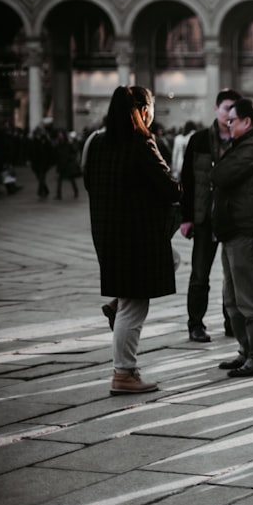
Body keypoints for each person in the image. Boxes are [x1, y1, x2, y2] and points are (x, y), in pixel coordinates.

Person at [85, 85, 181, 395]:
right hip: (136, 237)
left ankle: (116, 307)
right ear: (142, 111)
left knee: (170, 262)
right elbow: (170, 189)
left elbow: (89, 181)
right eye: (150, 109)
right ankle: (124, 373)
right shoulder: (141, 144)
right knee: (134, 307)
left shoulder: (96, 143)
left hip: (108, 233)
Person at [212, 98, 253, 377]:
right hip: (235, 230)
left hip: (248, 231)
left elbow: (220, 174)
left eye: (233, 120)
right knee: (234, 300)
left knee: (251, 298)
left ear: (247, 122)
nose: (228, 125)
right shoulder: (245, 146)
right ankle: (247, 350)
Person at [179, 89, 243, 342]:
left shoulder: (242, 139)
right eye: (226, 107)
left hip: (232, 217)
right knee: (199, 274)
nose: (230, 113)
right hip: (205, 216)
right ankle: (196, 324)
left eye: (235, 109)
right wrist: (186, 217)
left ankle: (231, 321)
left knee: (234, 275)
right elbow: (187, 179)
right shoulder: (200, 140)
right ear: (216, 109)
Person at [53, 130, 81, 200]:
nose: (60, 136)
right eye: (59, 135)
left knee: (71, 179)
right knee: (60, 180)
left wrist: (70, 159)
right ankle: (59, 194)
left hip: (67, 165)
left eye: (61, 135)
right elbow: (56, 155)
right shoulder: (58, 145)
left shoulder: (68, 144)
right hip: (61, 165)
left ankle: (76, 191)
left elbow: (74, 152)